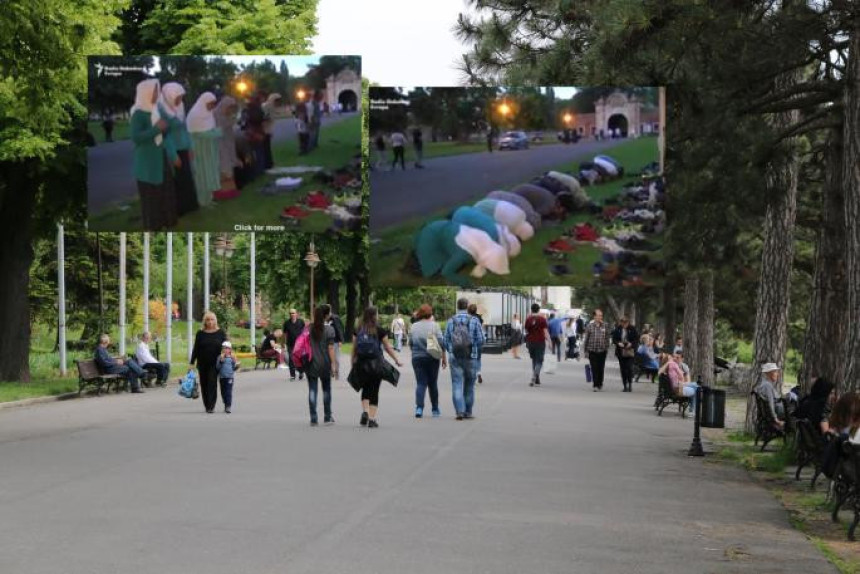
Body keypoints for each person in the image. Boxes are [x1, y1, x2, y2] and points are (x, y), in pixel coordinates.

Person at [130, 78, 176, 230]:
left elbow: (164, 132)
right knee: (151, 196)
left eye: (157, 90)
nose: (157, 94)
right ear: (146, 92)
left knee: (164, 192)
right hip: (147, 161)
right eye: (155, 90)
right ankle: (153, 226)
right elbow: (136, 138)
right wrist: (157, 129)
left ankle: (166, 221)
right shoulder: (138, 114)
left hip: (160, 157)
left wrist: (165, 128)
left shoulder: (156, 109)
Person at [352, 307, 402, 428]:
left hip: (362, 363)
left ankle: (365, 412)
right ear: (374, 316)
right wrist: (396, 360)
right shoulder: (379, 330)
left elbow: (354, 348)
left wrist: (353, 362)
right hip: (376, 364)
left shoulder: (358, 329)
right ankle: (372, 419)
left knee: (365, 388)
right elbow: (388, 348)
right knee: (374, 390)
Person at [159, 82, 199, 217]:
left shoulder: (180, 107)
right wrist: (173, 155)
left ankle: (190, 206)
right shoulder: (161, 110)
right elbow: (166, 136)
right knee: (178, 180)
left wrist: (190, 147)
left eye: (181, 97)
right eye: (178, 97)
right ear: (170, 96)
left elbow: (185, 129)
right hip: (173, 150)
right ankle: (179, 208)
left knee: (187, 178)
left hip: (184, 147)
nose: (180, 100)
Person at [444, 298, 484, 419]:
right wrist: (475, 347)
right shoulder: (474, 320)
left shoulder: (451, 320)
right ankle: (468, 412)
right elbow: (482, 339)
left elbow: (445, 340)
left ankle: (459, 412)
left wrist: (451, 350)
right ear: (467, 307)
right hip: (471, 356)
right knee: (469, 386)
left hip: (455, 356)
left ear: (457, 306)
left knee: (456, 383)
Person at [410, 304, 447, 418]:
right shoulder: (435, 326)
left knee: (421, 383)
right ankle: (435, 409)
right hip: (432, 357)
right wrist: (443, 357)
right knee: (432, 383)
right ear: (430, 313)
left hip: (417, 358)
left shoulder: (414, 326)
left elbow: (411, 343)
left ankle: (419, 408)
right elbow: (441, 342)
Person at [186, 92, 222, 208]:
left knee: (210, 172)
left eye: (213, 104)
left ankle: (209, 198)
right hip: (199, 150)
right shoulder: (194, 115)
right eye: (210, 104)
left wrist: (215, 132)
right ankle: (202, 201)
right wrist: (217, 132)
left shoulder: (208, 114)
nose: (212, 106)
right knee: (202, 175)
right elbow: (200, 134)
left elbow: (211, 130)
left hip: (209, 149)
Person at [190, 311, 227, 413]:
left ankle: (211, 406)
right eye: (207, 320)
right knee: (204, 384)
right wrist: (192, 362)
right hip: (202, 363)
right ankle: (206, 404)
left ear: (215, 321)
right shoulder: (200, 333)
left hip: (215, 363)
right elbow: (196, 349)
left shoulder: (220, 332)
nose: (210, 322)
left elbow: (226, 346)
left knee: (212, 383)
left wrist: (225, 355)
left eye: (212, 319)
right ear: (204, 321)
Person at [305, 306, 337, 426]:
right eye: (329, 313)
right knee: (326, 391)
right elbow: (330, 348)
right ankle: (327, 417)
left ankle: (313, 418)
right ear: (326, 315)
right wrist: (333, 365)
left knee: (312, 391)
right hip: (325, 364)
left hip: (311, 363)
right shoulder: (329, 330)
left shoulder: (309, 328)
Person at [214, 96, 241, 196]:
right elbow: (218, 130)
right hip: (219, 144)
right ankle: (222, 192)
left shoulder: (228, 116)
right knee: (223, 168)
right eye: (229, 107)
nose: (230, 110)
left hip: (228, 143)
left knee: (229, 166)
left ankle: (230, 191)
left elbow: (229, 130)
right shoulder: (216, 115)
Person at [581, 309, 610, 391]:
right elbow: (586, 339)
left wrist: (606, 348)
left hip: (602, 350)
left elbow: (607, 338)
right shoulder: (590, 326)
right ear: (594, 316)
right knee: (594, 368)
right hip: (592, 350)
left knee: (601, 368)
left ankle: (600, 383)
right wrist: (585, 351)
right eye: (599, 315)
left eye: (601, 315)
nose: (600, 317)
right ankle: (595, 385)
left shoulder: (605, 325)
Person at [523, 303, 550, 387]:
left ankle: (537, 378)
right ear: (539, 310)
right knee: (540, 360)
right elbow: (545, 332)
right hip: (540, 342)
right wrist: (550, 341)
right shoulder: (542, 319)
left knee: (534, 359)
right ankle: (534, 376)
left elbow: (526, 331)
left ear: (531, 310)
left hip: (530, 342)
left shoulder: (528, 319)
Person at [754, 363, 785, 430]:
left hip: (778, 410)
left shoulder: (766, 384)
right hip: (779, 412)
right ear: (768, 373)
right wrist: (776, 420)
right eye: (775, 372)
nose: (777, 374)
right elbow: (770, 404)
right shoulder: (767, 386)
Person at [611, 316, 639, 392]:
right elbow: (614, 339)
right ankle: (625, 385)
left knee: (629, 367)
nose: (624, 324)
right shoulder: (618, 329)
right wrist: (618, 343)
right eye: (622, 322)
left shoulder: (632, 329)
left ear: (628, 322)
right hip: (621, 351)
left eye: (626, 322)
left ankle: (630, 384)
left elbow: (636, 339)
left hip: (630, 352)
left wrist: (631, 344)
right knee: (623, 369)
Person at [243, 94, 267, 177]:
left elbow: (245, 122)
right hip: (256, 132)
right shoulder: (257, 109)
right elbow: (262, 119)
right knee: (259, 152)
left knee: (252, 152)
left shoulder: (249, 110)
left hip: (252, 132)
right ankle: (259, 170)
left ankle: (253, 170)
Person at [215, 341, 239, 414]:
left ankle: (228, 406)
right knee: (223, 392)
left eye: (227, 348)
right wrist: (221, 361)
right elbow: (217, 367)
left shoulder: (232, 357)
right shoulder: (220, 357)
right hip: (222, 377)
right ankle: (225, 402)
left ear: (230, 350)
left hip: (229, 377)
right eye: (224, 348)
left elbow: (234, 368)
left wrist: (236, 364)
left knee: (228, 391)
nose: (225, 350)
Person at [321, 304, 344, 380]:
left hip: (335, 341)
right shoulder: (323, 318)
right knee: (328, 358)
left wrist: (340, 340)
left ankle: (336, 372)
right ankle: (331, 371)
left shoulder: (335, 318)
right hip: (326, 342)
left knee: (336, 358)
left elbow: (339, 329)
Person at [282, 309, 306, 381]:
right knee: (291, 359)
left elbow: (304, 332)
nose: (292, 314)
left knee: (300, 359)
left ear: (296, 314)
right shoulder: (287, 323)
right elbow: (284, 334)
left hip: (299, 344)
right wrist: (283, 343)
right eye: (290, 313)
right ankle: (292, 375)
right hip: (290, 344)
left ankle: (301, 372)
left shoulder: (301, 322)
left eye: (293, 313)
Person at [261, 93, 282, 170]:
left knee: (267, 148)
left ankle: (269, 164)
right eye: (277, 101)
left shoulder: (272, 107)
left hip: (268, 130)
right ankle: (267, 164)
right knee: (265, 149)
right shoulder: (266, 106)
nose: (279, 103)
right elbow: (263, 118)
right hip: (263, 131)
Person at [467, 303, 485, 384]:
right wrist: (482, 341)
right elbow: (480, 333)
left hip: (466, 344)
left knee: (469, 360)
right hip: (477, 343)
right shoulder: (477, 319)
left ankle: (470, 375)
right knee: (478, 359)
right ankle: (478, 373)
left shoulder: (465, 319)